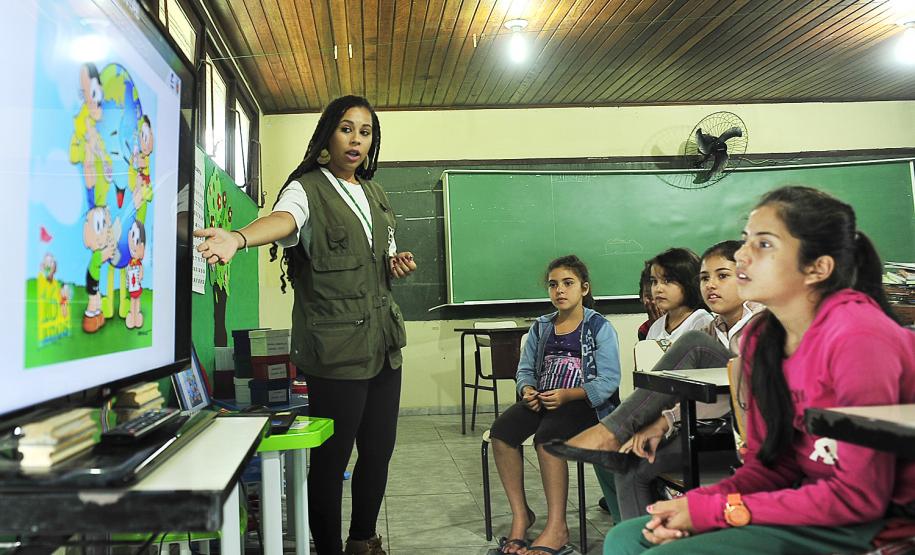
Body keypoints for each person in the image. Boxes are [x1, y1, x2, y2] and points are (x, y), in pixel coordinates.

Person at [605, 186, 915, 554]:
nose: (741, 256)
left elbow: (859, 498)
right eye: (745, 241)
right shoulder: (760, 340)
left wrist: (718, 511)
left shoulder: (859, 337)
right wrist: (699, 503)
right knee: (624, 537)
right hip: (804, 500)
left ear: (818, 268)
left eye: (764, 245)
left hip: (871, 523)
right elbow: (772, 465)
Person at [195, 95, 416, 555]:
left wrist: (395, 263)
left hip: (383, 344)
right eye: (346, 129)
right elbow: (282, 220)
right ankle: (330, 548)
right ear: (327, 136)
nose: (356, 139)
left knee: (378, 452)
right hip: (335, 349)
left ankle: (362, 540)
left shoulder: (375, 193)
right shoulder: (308, 188)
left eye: (366, 131)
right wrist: (238, 238)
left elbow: (382, 250)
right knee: (332, 459)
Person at [489, 255, 621, 555]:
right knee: (501, 433)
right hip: (544, 399)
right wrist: (528, 390)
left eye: (568, 283)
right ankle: (521, 516)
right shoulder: (541, 326)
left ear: (584, 288)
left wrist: (569, 394)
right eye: (553, 285)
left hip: (583, 404)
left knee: (547, 440)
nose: (559, 290)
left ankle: (557, 527)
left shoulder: (599, 327)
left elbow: (609, 380)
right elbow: (524, 370)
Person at [644, 248, 713, 343]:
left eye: (667, 281)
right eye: (654, 281)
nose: (658, 289)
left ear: (688, 282)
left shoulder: (701, 321)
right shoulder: (657, 326)